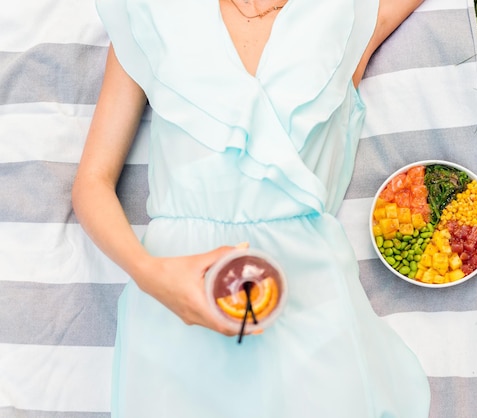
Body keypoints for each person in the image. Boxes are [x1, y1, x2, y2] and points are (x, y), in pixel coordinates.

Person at [72, 0, 431, 416]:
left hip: (307, 287)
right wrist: (149, 273)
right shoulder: (155, 14)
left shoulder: (344, 14)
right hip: (177, 291)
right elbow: (91, 182)